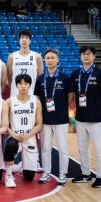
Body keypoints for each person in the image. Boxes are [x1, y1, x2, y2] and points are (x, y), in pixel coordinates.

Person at [69, 45, 101, 188]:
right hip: (80, 118)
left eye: (88, 54)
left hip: (96, 118)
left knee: (100, 148)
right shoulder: (75, 73)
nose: (85, 56)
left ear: (94, 56)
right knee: (82, 148)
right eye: (83, 54)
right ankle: (86, 174)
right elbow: (73, 95)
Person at [34, 49, 72, 186]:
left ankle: (62, 174)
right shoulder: (40, 79)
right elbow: (37, 98)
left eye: (52, 58)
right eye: (47, 58)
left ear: (57, 60)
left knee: (63, 148)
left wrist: (62, 107)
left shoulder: (65, 78)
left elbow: (70, 96)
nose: (50, 60)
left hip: (61, 119)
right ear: (44, 60)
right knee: (45, 148)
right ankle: (46, 173)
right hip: (45, 120)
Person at [4, 74, 43, 188]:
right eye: (20, 83)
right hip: (15, 137)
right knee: (10, 144)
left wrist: (28, 135)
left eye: (26, 83)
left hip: (29, 137)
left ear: (30, 85)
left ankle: (21, 165)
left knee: (29, 177)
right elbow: (5, 125)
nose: (23, 86)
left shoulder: (36, 102)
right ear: (16, 85)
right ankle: (9, 175)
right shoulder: (9, 102)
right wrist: (14, 135)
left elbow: (39, 124)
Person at [7, 30, 43, 97]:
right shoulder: (11, 57)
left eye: (26, 38)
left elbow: (40, 77)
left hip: (32, 93)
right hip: (15, 93)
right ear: (19, 40)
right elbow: (9, 77)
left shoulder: (37, 57)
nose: (24, 40)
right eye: (22, 38)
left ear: (30, 41)